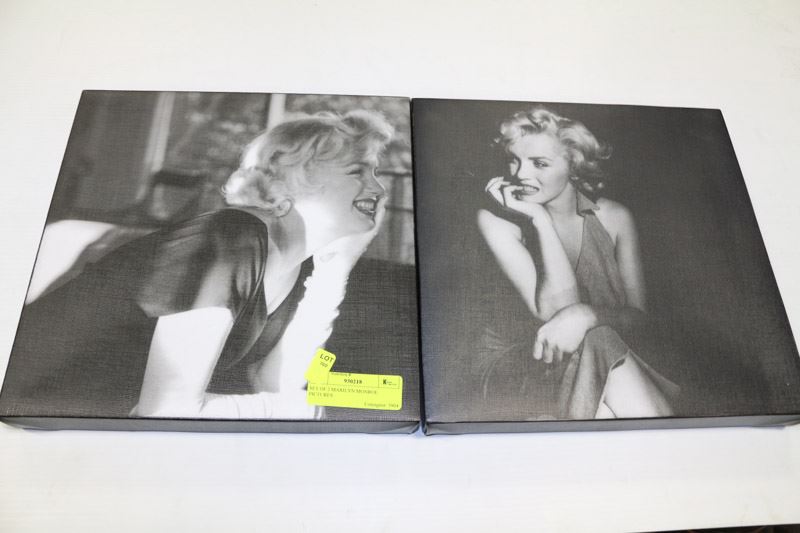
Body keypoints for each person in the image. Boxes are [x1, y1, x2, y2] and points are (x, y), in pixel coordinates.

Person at [1, 110, 393, 419]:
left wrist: (337, 268)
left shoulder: (297, 265)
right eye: (357, 171)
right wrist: (314, 410)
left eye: (374, 173)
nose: (378, 187)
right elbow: (167, 410)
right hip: (25, 406)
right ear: (290, 181)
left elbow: (273, 385)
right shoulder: (232, 238)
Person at [475, 106, 678, 420]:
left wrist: (587, 315)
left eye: (539, 163)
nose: (519, 174)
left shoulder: (614, 218)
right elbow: (555, 312)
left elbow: (639, 318)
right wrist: (541, 221)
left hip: (601, 355)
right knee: (602, 346)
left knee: (601, 356)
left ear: (574, 164)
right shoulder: (496, 222)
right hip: (522, 369)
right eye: (513, 159)